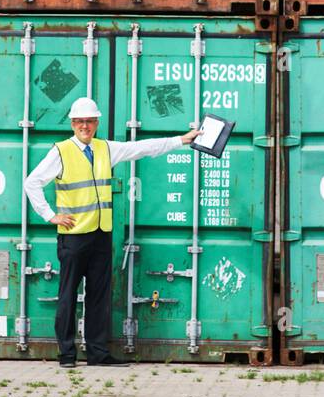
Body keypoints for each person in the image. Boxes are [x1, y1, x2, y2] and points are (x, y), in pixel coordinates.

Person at [24, 96, 198, 367]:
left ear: (97, 122)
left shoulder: (105, 149)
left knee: (98, 297)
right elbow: (32, 183)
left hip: (101, 234)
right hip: (73, 236)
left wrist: (182, 140)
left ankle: (97, 353)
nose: (85, 125)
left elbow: (141, 148)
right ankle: (66, 354)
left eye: (90, 121)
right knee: (68, 295)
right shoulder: (60, 151)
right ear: (72, 123)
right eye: (80, 121)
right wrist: (50, 215)